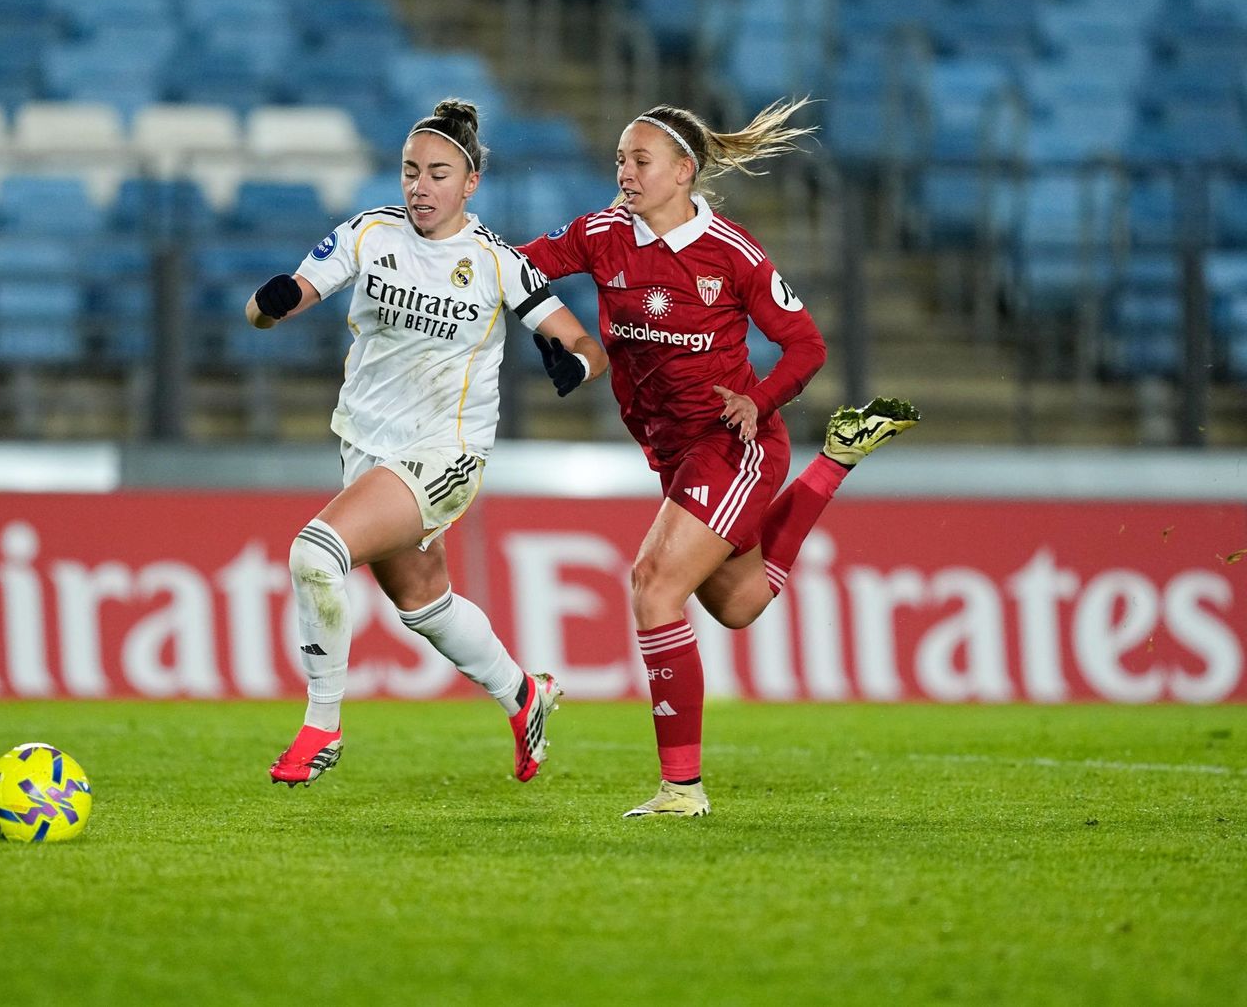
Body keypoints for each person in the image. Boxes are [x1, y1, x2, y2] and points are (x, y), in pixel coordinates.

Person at [518, 100, 920, 818]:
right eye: (620, 159)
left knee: (652, 586)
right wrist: (553, 331)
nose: (624, 173)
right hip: (671, 453)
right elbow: (515, 268)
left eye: (640, 161)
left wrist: (759, 401)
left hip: (732, 446)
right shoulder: (601, 234)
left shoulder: (732, 253)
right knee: (738, 604)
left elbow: (806, 346)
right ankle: (836, 460)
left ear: (683, 172)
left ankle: (682, 790)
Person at [245, 99, 608, 788]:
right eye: (411, 171)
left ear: (470, 183)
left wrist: (575, 365)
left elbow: (586, 345)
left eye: (438, 174)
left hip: (446, 452)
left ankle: (322, 726)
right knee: (422, 602)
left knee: (314, 555)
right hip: (366, 446)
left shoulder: (497, 262)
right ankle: (523, 695)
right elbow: (279, 300)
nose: (420, 186)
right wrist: (270, 305)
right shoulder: (369, 233)